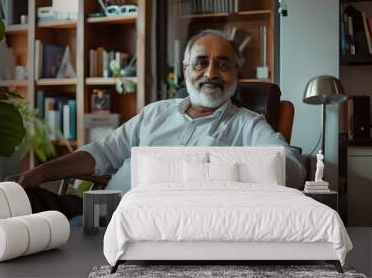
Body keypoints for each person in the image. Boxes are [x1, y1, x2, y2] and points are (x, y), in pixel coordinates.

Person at [18, 29, 306, 218]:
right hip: (100, 213)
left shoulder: (247, 125)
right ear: (185, 71)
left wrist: (219, 168)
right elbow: (102, 153)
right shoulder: (155, 113)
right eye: (201, 62)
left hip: (159, 226)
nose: (211, 72)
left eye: (223, 64)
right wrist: (41, 173)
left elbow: (292, 169)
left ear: (235, 73)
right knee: (14, 199)